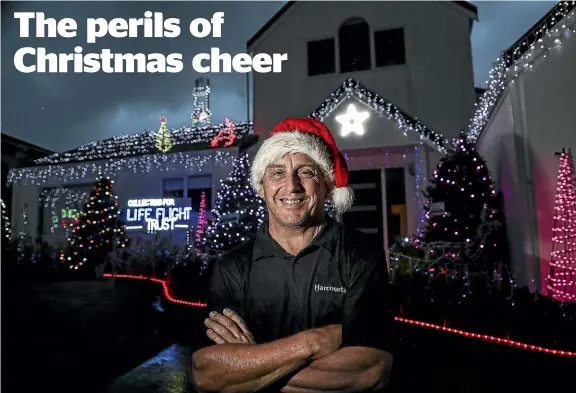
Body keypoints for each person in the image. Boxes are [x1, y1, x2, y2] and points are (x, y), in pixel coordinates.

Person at [192, 118, 395, 393]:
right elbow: (207, 373)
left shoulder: (360, 255)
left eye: (306, 172)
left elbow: (371, 370)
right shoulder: (233, 266)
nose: (292, 186)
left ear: (325, 185)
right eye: (276, 173)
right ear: (262, 188)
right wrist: (312, 343)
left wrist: (251, 367)